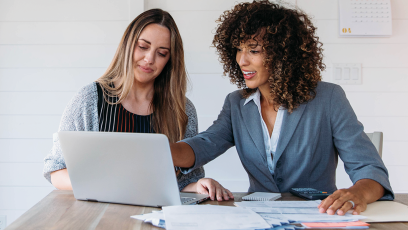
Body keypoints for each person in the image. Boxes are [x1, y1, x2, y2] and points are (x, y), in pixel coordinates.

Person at [170, 0, 393, 215]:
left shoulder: (329, 98)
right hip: (257, 217)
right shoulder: (236, 103)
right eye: (238, 49)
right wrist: (161, 151)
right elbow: (204, 145)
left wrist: (356, 193)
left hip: (315, 217)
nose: (241, 60)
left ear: (284, 54)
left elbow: (370, 170)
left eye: (254, 50)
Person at [43, 8, 233, 201]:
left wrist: (198, 185)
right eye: (143, 47)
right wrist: (107, 185)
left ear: (170, 60)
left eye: (161, 53)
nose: (149, 59)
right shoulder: (89, 99)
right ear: (128, 45)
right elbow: (56, 170)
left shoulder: (182, 109)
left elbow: (182, 182)